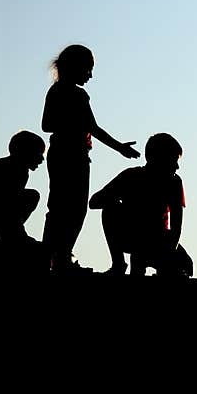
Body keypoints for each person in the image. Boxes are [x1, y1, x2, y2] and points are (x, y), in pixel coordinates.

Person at [41, 44, 139, 273]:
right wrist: (119, 148)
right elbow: (87, 127)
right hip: (72, 155)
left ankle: (55, 256)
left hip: (63, 154)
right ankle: (59, 258)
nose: (90, 75)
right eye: (88, 69)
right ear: (76, 67)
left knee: (60, 207)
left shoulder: (57, 91)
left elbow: (51, 125)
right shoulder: (73, 94)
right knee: (71, 209)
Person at [88, 133, 193, 277]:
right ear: (156, 159)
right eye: (172, 161)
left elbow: (176, 228)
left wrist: (168, 255)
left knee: (185, 264)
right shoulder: (131, 176)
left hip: (160, 242)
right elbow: (94, 202)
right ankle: (118, 263)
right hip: (132, 237)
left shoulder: (174, 183)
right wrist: (117, 202)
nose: (176, 167)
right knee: (110, 210)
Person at [0, 131, 48, 271]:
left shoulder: (12, 166)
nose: (41, 159)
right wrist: (19, 236)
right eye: (39, 153)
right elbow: (6, 207)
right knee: (32, 196)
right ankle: (10, 237)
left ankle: (10, 235)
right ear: (26, 152)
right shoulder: (14, 169)